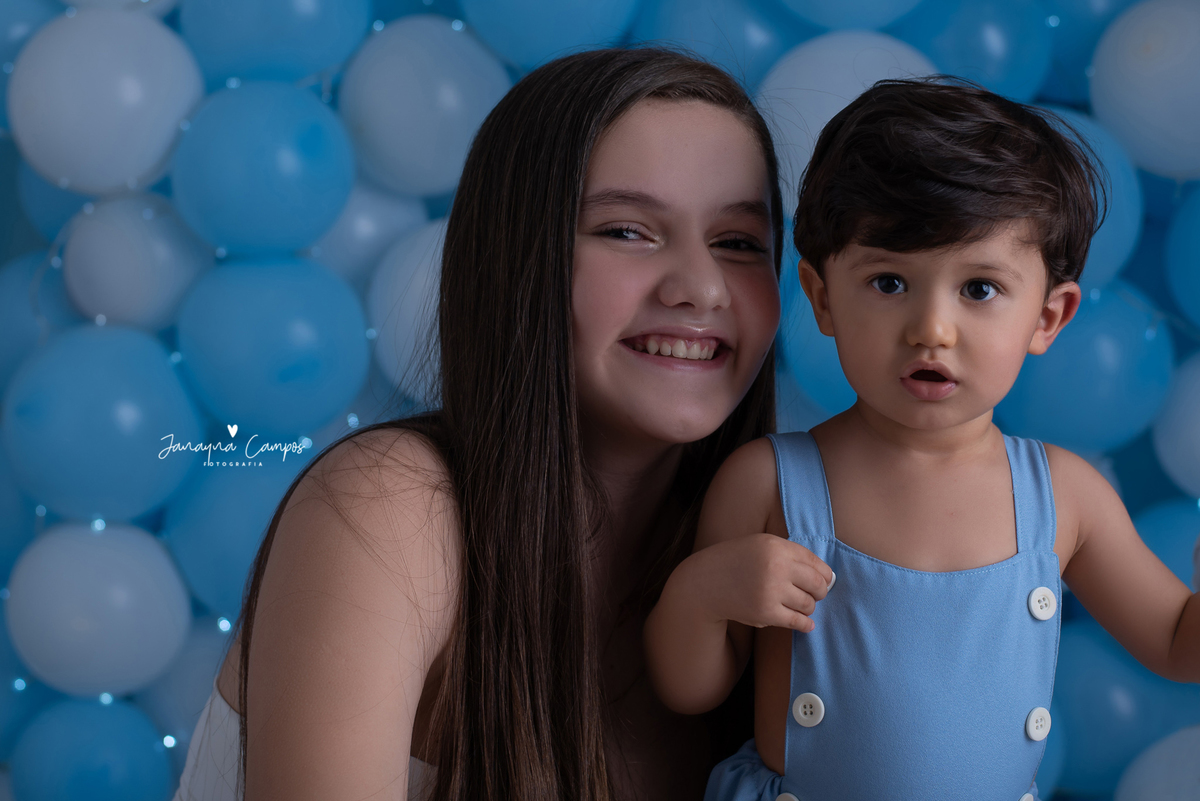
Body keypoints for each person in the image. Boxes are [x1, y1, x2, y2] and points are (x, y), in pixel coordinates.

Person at [172, 47, 787, 801]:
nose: (701, 287)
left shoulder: (774, 548)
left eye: (738, 243)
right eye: (627, 231)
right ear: (517, 256)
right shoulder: (391, 504)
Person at [643, 76, 1200, 801]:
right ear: (822, 297)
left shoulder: (1065, 496)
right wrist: (703, 592)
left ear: (1047, 318)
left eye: (979, 289)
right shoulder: (768, 483)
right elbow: (689, 690)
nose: (931, 329)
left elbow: (1176, 641)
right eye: (888, 283)